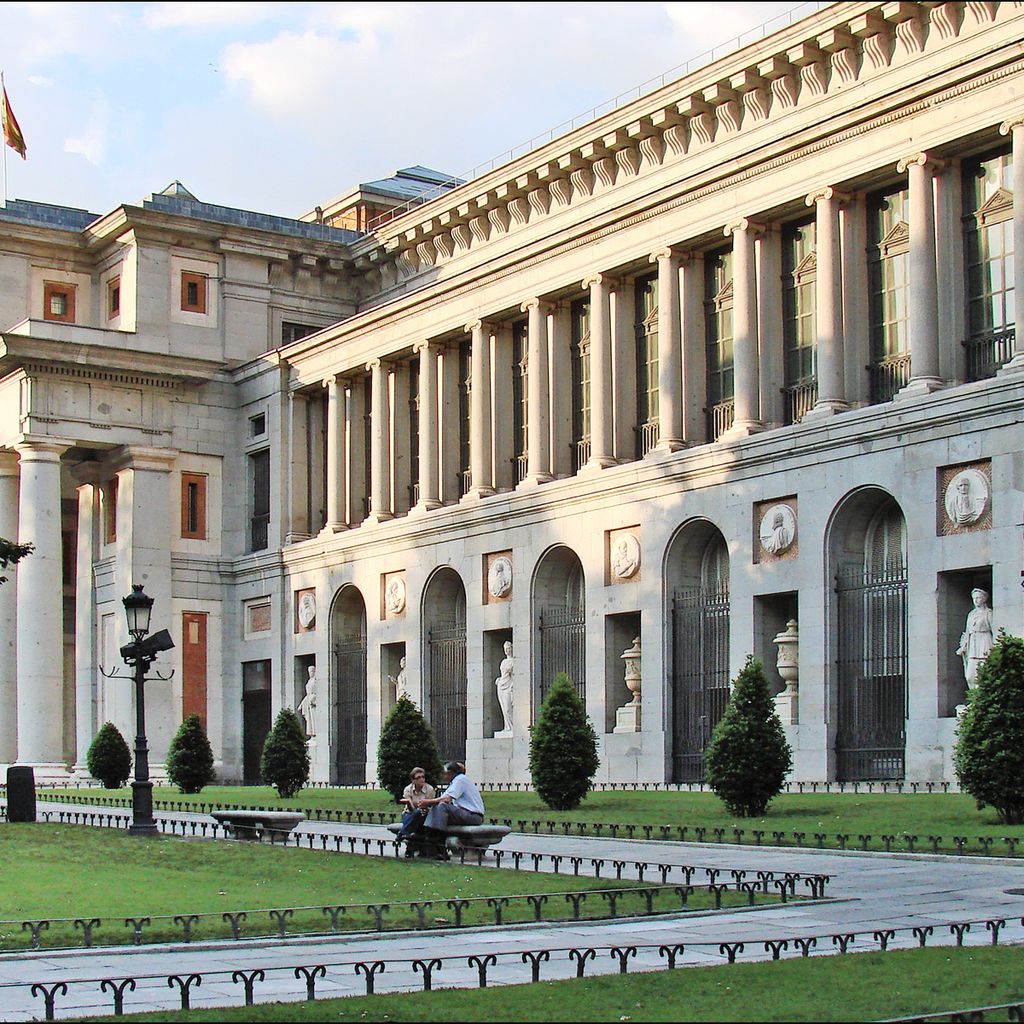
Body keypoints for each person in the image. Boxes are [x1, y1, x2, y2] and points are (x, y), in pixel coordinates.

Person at [419, 761, 485, 857]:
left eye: (445, 774)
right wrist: (428, 804)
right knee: (436, 807)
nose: (444, 776)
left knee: (442, 806)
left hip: (473, 815)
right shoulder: (454, 782)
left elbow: (446, 799)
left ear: (450, 773)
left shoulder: (460, 779)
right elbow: (443, 799)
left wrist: (428, 802)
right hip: (464, 814)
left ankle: (438, 842)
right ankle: (428, 838)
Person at [957, 588, 995, 686]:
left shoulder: (988, 613)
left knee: (983, 672)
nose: (976, 600)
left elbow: (994, 630)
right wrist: (963, 646)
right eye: (974, 598)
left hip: (984, 641)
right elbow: (967, 631)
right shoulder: (971, 614)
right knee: (970, 675)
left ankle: (981, 697)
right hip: (973, 644)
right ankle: (974, 697)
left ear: (983, 599)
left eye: (978, 598)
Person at [397, 766, 435, 854]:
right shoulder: (408, 789)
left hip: (424, 816)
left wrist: (420, 806)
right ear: (413, 780)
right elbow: (411, 807)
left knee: (419, 815)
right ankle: (409, 841)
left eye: (423, 777)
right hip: (409, 814)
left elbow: (427, 806)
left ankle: (403, 833)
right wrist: (417, 807)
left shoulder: (429, 789)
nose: (422, 779)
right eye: (418, 778)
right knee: (416, 814)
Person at [495, 641, 514, 734]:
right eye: (505, 649)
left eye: (508, 648)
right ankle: (507, 726)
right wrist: (499, 679)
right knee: (503, 708)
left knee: (508, 707)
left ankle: (512, 726)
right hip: (501, 685)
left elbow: (514, 676)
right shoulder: (503, 662)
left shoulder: (513, 661)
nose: (507, 651)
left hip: (509, 685)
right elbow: (503, 674)